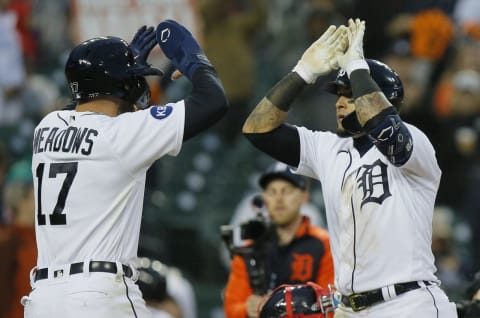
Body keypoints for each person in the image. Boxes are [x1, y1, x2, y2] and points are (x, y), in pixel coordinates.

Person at [242, 18, 458, 317]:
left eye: (351, 95)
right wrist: (302, 73)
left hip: (409, 303)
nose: (340, 103)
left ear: (383, 99)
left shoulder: (415, 142)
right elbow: (258, 130)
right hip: (352, 307)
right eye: (339, 95)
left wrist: (358, 68)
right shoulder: (329, 148)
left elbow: (386, 129)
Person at [24, 19, 227, 318]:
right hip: (99, 297)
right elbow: (213, 101)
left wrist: (116, 70)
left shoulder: (47, 127)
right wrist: (192, 58)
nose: (140, 85)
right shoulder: (122, 134)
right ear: (122, 86)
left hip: (43, 300)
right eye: (135, 79)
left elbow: (82, 106)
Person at [223, 162, 334, 318]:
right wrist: (247, 309)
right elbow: (231, 308)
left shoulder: (324, 244)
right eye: (272, 192)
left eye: (287, 191)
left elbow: (333, 304)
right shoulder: (249, 249)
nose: (279, 199)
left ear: (304, 196)